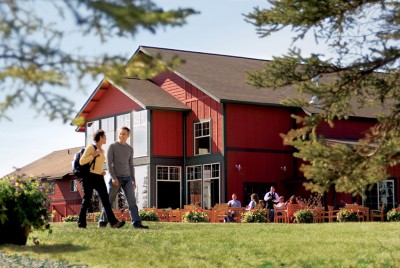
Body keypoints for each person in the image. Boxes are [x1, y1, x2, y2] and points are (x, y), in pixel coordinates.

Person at [98, 127, 148, 229]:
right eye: (120, 134)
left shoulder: (130, 149)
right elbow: (108, 163)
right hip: (116, 178)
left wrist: (133, 179)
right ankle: (102, 221)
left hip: (127, 178)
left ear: (128, 135)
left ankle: (136, 223)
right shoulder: (112, 146)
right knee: (109, 201)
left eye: (124, 134)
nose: (121, 135)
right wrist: (113, 177)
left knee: (132, 202)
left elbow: (130, 165)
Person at [77, 130, 125, 229]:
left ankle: (114, 223)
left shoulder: (102, 151)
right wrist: (93, 155)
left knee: (106, 201)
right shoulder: (91, 147)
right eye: (105, 137)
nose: (106, 138)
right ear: (100, 137)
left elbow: (96, 165)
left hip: (98, 177)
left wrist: (101, 171)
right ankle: (81, 224)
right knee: (86, 200)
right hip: (89, 177)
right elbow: (82, 162)